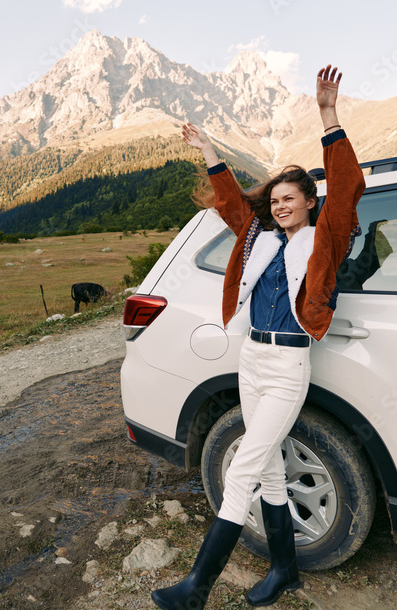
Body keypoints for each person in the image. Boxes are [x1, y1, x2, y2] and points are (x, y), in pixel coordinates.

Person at [152, 65, 365, 609]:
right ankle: (285, 571)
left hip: (289, 364)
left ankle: (196, 588)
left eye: (290, 199)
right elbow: (228, 203)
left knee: (245, 463)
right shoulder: (262, 241)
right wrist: (207, 150)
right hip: (252, 359)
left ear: (309, 202)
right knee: (268, 470)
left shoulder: (326, 239)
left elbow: (346, 186)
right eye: (274, 200)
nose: (280, 206)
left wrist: (328, 116)